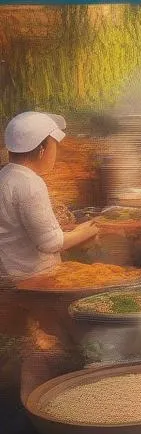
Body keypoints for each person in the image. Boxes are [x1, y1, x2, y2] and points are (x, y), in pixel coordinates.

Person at [0, 113, 100, 401]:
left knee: (28, 344)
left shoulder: (5, 176)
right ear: (42, 149)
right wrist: (85, 230)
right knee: (44, 348)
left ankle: (26, 406)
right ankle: (38, 409)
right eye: (54, 145)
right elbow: (51, 242)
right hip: (35, 283)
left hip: (9, 278)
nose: (56, 153)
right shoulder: (30, 183)